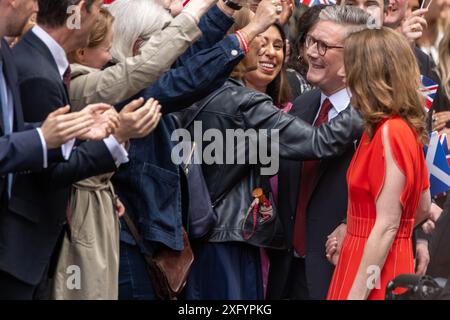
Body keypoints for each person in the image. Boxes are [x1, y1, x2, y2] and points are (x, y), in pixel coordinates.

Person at [176, 4, 365, 300]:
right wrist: (369, 95)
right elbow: (320, 142)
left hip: (218, 240)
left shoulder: (196, 88)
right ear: (233, 42)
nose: (264, 47)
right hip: (230, 241)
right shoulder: (241, 102)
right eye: (259, 37)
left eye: (323, 45)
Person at [0, 0, 149, 299]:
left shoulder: (18, 54)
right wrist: (113, 138)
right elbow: (46, 170)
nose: (35, 8)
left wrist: (73, 130)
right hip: (16, 247)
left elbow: (16, 134)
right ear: (81, 10)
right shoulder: (35, 67)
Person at [50, 7, 162, 300]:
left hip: (99, 208)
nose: (111, 56)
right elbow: (60, 166)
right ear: (82, 53)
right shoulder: (83, 83)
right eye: (105, 48)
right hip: (80, 215)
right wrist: (120, 134)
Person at [267, 5, 370, 300]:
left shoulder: (375, 118)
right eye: (310, 41)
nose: (311, 53)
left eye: (323, 46)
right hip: (286, 273)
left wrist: (351, 223)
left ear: (353, 56)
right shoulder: (300, 106)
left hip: (340, 271)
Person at [327, 27, 431, 300]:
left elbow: (387, 226)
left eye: (350, 66)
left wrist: (359, 291)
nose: (341, 74)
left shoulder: (390, 131)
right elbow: (421, 207)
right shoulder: (388, 128)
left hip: (374, 271)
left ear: (370, 74)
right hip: (371, 258)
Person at [285, 4, 325, 99]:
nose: (315, 52)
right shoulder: (290, 80)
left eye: (324, 44)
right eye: (311, 41)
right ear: (301, 47)